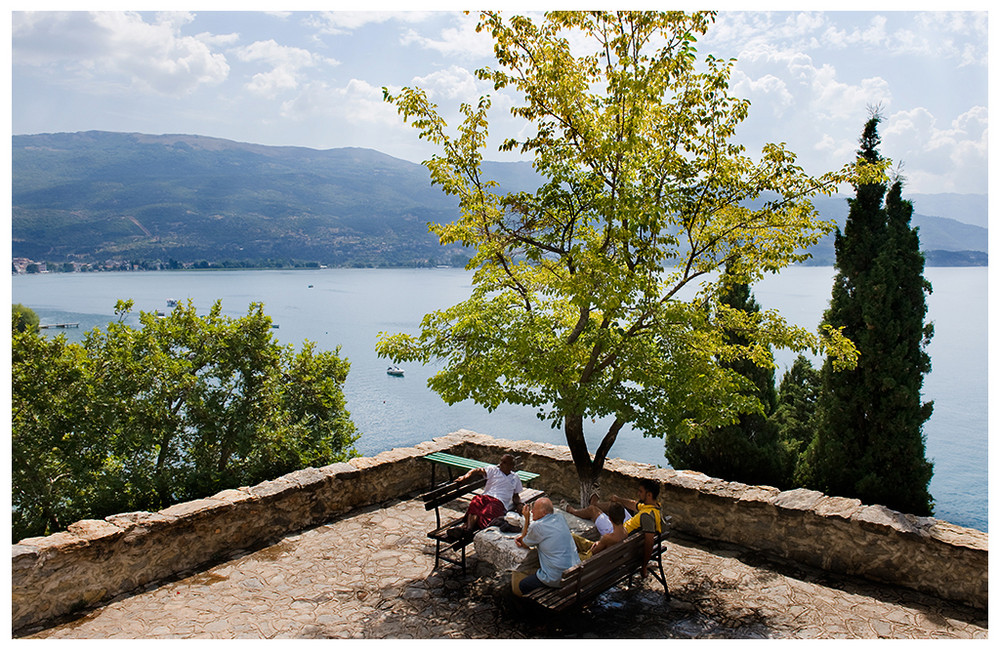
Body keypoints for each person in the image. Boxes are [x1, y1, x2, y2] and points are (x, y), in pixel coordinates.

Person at [511, 497, 580, 596]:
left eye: (534, 509)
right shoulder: (560, 518)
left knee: (523, 585)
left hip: (557, 578)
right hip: (574, 573)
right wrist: (524, 537)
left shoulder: (537, 526)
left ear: (543, 512)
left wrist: (526, 518)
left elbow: (525, 544)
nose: (532, 511)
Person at [446, 454, 523, 539]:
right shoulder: (493, 470)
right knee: (476, 501)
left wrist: (519, 503)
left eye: (504, 462)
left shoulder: (515, 478)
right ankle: (469, 529)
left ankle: (464, 529)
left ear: (511, 466)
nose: (501, 464)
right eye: (501, 461)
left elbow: (516, 495)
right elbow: (477, 470)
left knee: (486, 512)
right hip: (486, 497)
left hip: (499, 502)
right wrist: (465, 477)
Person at [610, 478, 663, 578]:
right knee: (613, 507)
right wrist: (618, 499)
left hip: (620, 541)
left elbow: (649, 542)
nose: (638, 493)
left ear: (649, 495)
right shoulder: (655, 507)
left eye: (641, 491)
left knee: (594, 510)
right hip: (629, 541)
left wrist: (644, 566)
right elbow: (634, 505)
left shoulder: (647, 516)